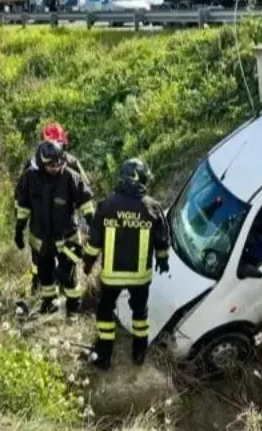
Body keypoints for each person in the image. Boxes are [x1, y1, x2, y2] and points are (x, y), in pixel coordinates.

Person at [81, 158, 170, 370]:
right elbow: (162, 240)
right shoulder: (153, 208)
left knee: (105, 312)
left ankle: (104, 355)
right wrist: (163, 260)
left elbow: (94, 243)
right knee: (140, 314)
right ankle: (139, 353)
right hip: (141, 277)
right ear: (141, 179)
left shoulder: (106, 206)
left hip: (112, 276)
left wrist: (88, 263)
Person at [14, 140, 95, 316]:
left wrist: (91, 222)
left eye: (59, 164)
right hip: (40, 237)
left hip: (67, 237)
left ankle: (74, 306)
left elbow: (86, 203)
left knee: (67, 274)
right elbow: (23, 207)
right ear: (42, 163)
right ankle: (49, 303)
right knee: (45, 273)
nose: (56, 168)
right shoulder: (29, 178)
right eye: (51, 166)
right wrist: (19, 230)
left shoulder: (70, 177)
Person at [23, 123, 89, 184]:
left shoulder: (72, 162)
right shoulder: (32, 164)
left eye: (59, 145)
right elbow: (22, 190)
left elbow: (85, 186)